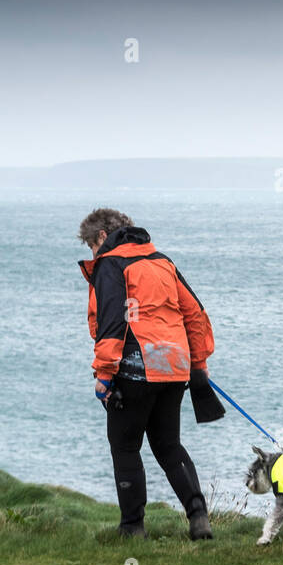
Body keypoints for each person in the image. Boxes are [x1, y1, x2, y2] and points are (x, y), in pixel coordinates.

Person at [78, 207, 215, 539]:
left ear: (101, 237)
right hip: (173, 368)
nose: (93, 255)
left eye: (91, 248)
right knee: (169, 445)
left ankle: (132, 528)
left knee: (125, 446)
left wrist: (105, 374)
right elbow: (195, 315)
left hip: (134, 369)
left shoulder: (111, 264)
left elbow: (112, 322)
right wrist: (197, 366)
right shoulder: (162, 261)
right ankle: (199, 519)